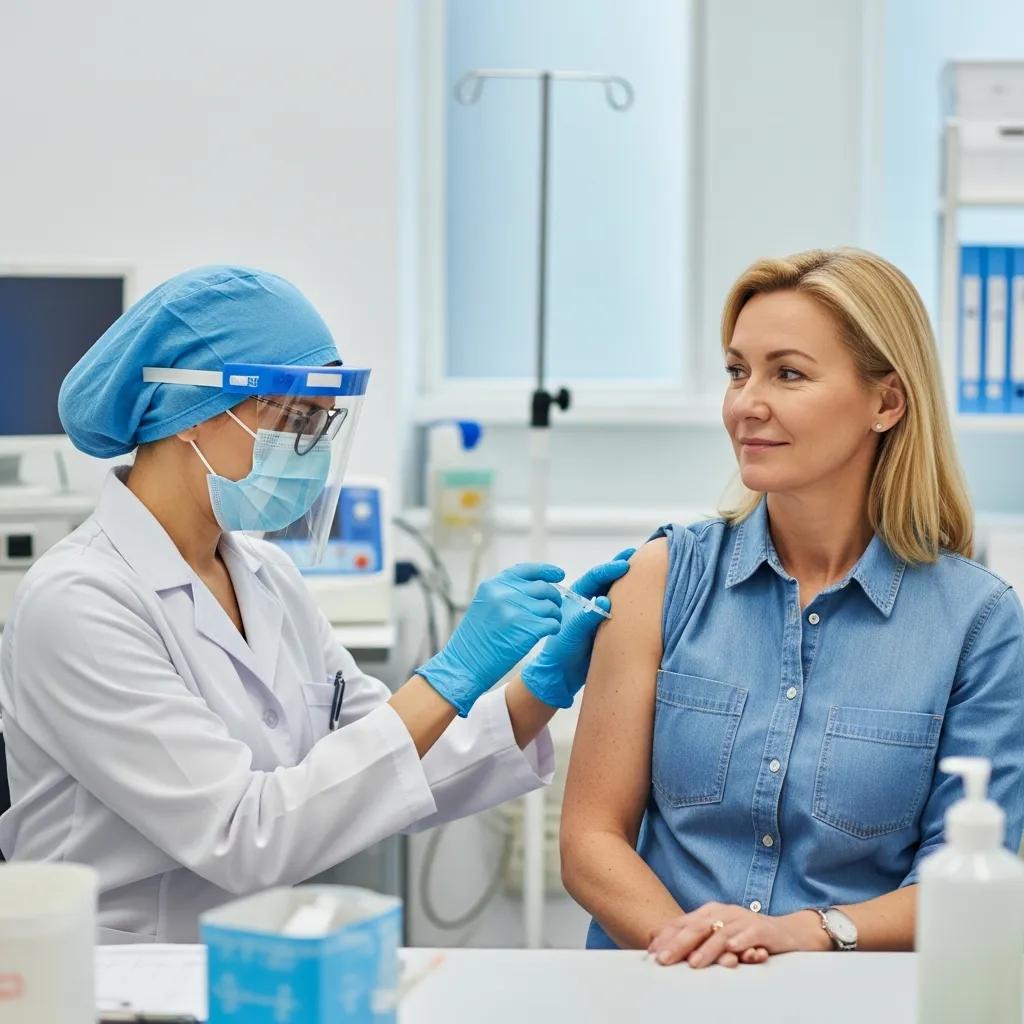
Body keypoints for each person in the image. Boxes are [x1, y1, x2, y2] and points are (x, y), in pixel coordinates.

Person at [0, 265, 630, 942]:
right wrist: (450, 673)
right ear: (190, 415)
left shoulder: (265, 576)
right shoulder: (80, 602)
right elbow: (246, 835)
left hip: (242, 964)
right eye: (295, 417)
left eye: (323, 424)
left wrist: (538, 689)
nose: (313, 449)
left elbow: (388, 766)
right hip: (113, 977)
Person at [560, 247, 1024, 967]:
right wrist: (694, 950)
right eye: (737, 371)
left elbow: (966, 877)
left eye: (789, 374)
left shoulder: (979, 623)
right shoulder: (660, 578)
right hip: (666, 989)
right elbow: (592, 840)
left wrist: (812, 930)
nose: (747, 403)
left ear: (887, 402)